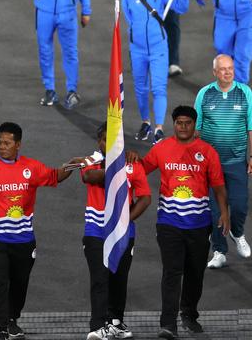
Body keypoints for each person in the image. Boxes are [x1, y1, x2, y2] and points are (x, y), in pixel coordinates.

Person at [0, 122, 81, 340]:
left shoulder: (31, 168)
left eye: (7, 143)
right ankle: (1, 328)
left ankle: (12, 319)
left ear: (18, 145)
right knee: (0, 281)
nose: (2, 147)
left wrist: (72, 165)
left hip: (23, 239)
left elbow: (55, 176)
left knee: (20, 283)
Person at [137, 105, 229, 339]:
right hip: (168, 223)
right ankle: (168, 324)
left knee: (195, 273)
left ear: (194, 125)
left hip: (199, 224)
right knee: (172, 271)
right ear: (174, 124)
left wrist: (225, 212)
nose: (184, 127)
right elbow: (141, 170)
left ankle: (189, 314)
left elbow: (218, 186)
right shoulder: (162, 148)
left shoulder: (207, 152)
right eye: (179, 122)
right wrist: (127, 161)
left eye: (188, 123)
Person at [81, 122, 152, 340]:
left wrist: (123, 221)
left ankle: (115, 322)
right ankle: (97, 325)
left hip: (124, 234)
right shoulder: (90, 162)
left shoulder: (133, 164)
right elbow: (89, 177)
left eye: (112, 139)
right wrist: (118, 164)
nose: (107, 143)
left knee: (119, 279)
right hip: (96, 232)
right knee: (100, 278)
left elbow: (146, 198)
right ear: (98, 141)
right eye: (104, 139)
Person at [194, 55, 252, 269]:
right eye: (223, 69)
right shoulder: (204, 94)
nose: (228, 72)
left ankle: (237, 232)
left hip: (237, 162)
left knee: (240, 206)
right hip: (210, 166)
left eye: (230, 68)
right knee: (214, 211)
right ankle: (220, 252)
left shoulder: (244, 92)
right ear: (215, 72)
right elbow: (196, 130)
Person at [121, 0, 189, 144]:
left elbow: (182, 8)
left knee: (159, 88)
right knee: (141, 89)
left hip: (159, 48)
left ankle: (158, 128)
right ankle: (145, 123)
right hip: (137, 50)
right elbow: (129, 19)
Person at [199, 0, 252, 84]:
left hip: (247, 15)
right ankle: (226, 93)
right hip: (223, 15)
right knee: (223, 56)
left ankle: (240, 95)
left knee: (242, 56)